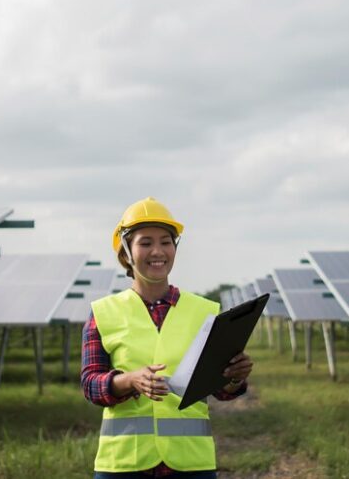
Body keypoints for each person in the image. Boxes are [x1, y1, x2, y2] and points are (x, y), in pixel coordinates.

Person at [81, 197, 253, 478]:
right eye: (145, 243)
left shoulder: (205, 312)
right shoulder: (103, 314)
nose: (157, 251)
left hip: (191, 464)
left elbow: (221, 391)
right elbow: (90, 385)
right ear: (126, 251)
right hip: (124, 464)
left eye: (166, 241)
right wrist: (129, 380)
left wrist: (234, 377)